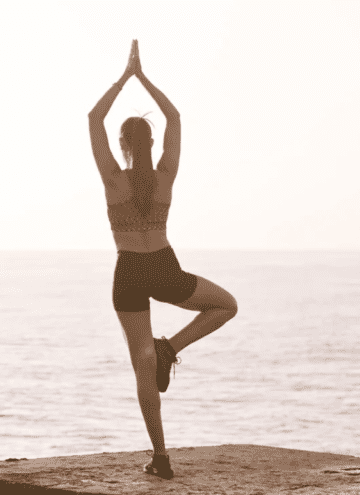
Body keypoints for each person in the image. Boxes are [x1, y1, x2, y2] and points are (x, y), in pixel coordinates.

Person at [87, 39, 239, 480]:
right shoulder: (165, 176)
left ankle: (161, 456)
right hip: (164, 266)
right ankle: (171, 346)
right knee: (226, 305)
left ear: (122, 144)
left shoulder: (113, 180)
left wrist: (124, 76)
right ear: (152, 142)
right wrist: (144, 78)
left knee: (141, 362)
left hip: (130, 269)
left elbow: (93, 117)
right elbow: (174, 116)